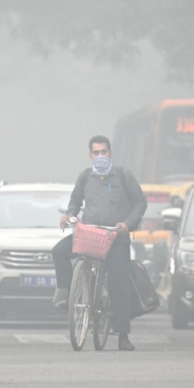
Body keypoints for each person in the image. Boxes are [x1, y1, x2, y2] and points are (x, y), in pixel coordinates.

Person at [52, 135, 147, 351]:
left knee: (119, 282)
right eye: (96, 152)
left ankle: (123, 335)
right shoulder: (85, 177)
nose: (100, 156)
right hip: (89, 234)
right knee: (59, 251)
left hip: (115, 237)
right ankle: (65, 293)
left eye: (104, 152)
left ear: (110, 154)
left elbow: (141, 202)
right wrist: (69, 215)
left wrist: (128, 223)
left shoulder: (123, 175)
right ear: (90, 156)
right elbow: (75, 201)